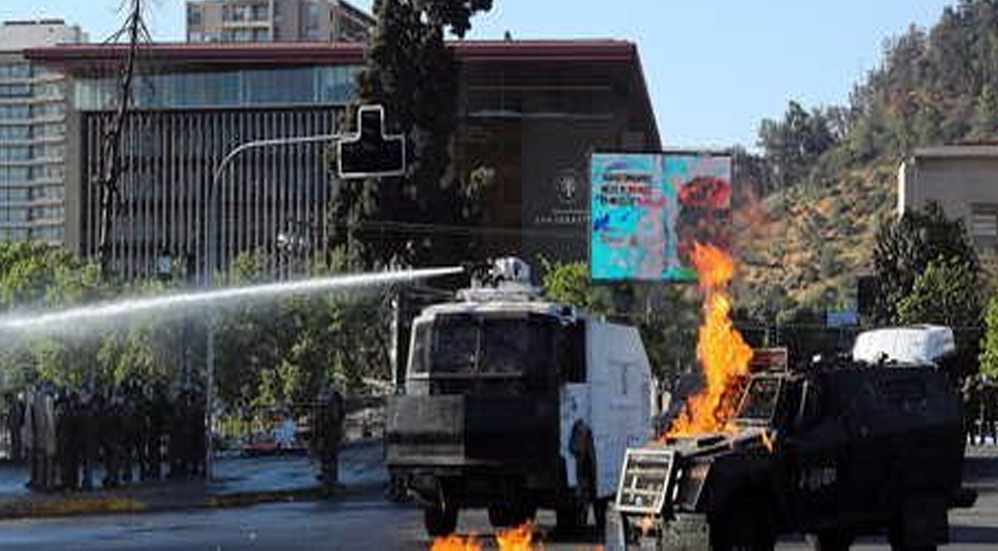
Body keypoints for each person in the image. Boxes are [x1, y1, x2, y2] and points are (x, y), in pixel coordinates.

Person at [311, 383, 344, 492]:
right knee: (330, 458)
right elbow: (340, 417)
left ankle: (328, 482)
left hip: (327, 434)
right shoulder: (334, 399)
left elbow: (317, 421)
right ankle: (331, 479)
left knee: (326, 458)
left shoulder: (324, 401)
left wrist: (315, 438)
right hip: (331, 434)